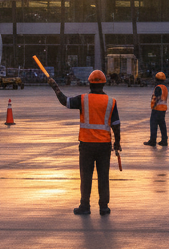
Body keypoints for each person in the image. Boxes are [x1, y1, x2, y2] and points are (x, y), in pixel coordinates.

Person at [45, 68, 121, 215]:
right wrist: (117, 143)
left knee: (86, 176)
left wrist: (55, 87)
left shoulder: (83, 99)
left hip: (87, 145)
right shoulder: (111, 102)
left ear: (90, 84)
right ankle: (104, 207)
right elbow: (116, 125)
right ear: (104, 84)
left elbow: (65, 101)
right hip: (104, 146)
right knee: (103, 176)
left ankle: (85, 206)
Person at [144, 71, 168, 147]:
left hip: (157, 109)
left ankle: (153, 140)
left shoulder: (158, 87)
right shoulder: (164, 87)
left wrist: (153, 106)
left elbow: (156, 98)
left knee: (153, 124)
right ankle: (164, 140)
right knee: (162, 125)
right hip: (163, 109)